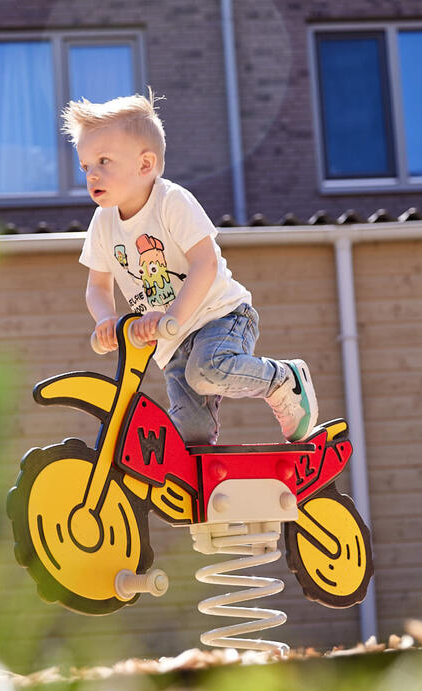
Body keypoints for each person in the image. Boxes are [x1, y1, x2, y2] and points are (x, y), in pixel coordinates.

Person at [61, 91, 318, 445]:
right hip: (172, 342)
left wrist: (175, 317)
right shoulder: (103, 222)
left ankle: (282, 379)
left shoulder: (170, 201)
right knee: (189, 436)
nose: (92, 175)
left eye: (104, 161)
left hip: (220, 316)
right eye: (86, 166)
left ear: (145, 165)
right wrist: (106, 320)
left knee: (207, 369)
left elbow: (205, 262)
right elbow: (97, 286)